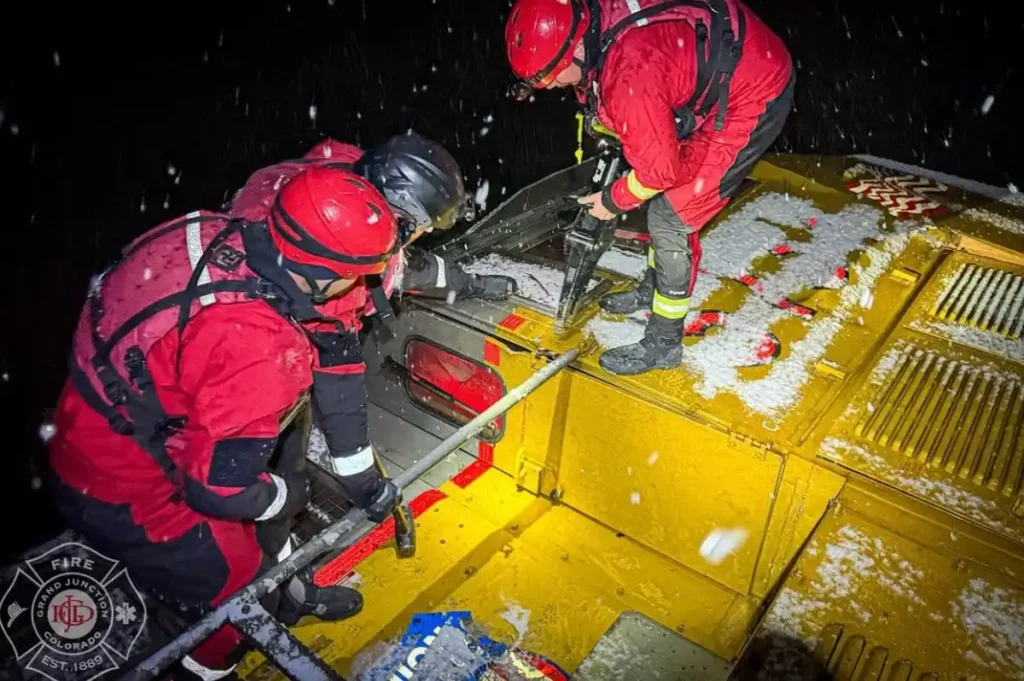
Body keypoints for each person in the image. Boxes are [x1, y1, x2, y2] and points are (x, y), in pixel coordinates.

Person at [49, 166, 404, 679]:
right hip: (119, 479)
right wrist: (286, 495)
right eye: (363, 272)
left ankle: (288, 601)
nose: (368, 283)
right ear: (322, 271)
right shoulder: (259, 349)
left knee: (259, 535)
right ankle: (204, 667)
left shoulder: (221, 231)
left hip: (103, 417)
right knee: (238, 591)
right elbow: (218, 490)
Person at [505, 0, 795, 375]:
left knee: (670, 217)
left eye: (549, 77)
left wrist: (612, 200)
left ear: (576, 47)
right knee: (656, 188)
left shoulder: (629, 72)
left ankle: (663, 344)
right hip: (727, 62)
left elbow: (660, 172)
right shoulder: (597, 26)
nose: (549, 88)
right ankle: (651, 288)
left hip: (754, 91)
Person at [228, 132, 517, 314]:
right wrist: (473, 285)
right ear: (398, 217)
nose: (425, 233)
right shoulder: (338, 259)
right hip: (253, 319)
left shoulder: (342, 172)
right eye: (423, 227)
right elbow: (415, 271)